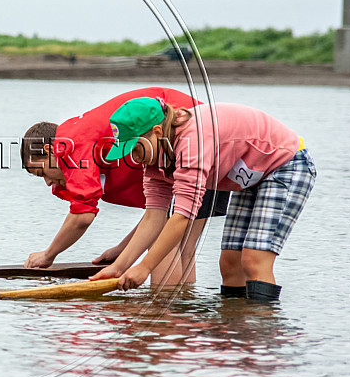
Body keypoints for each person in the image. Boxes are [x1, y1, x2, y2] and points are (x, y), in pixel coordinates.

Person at [91, 97, 315, 301]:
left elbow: (183, 216)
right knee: (229, 263)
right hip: (251, 176)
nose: (133, 157)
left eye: (135, 148)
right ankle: (235, 332)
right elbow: (154, 216)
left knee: (254, 259)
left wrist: (145, 267)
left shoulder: (193, 140)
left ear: (157, 131)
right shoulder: (155, 161)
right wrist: (119, 267)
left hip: (286, 163)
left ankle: (261, 332)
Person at [21, 87, 229, 285]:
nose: (48, 182)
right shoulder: (90, 145)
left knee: (165, 246)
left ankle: (162, 316)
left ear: (50, 150)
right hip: (214, 139)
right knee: (182, 247)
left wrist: (48, 255)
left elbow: (82, 216)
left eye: (42, 172)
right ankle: (184, 312)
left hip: (192, 135)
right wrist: (122, 249)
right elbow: (157, 214)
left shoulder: (72, 145)